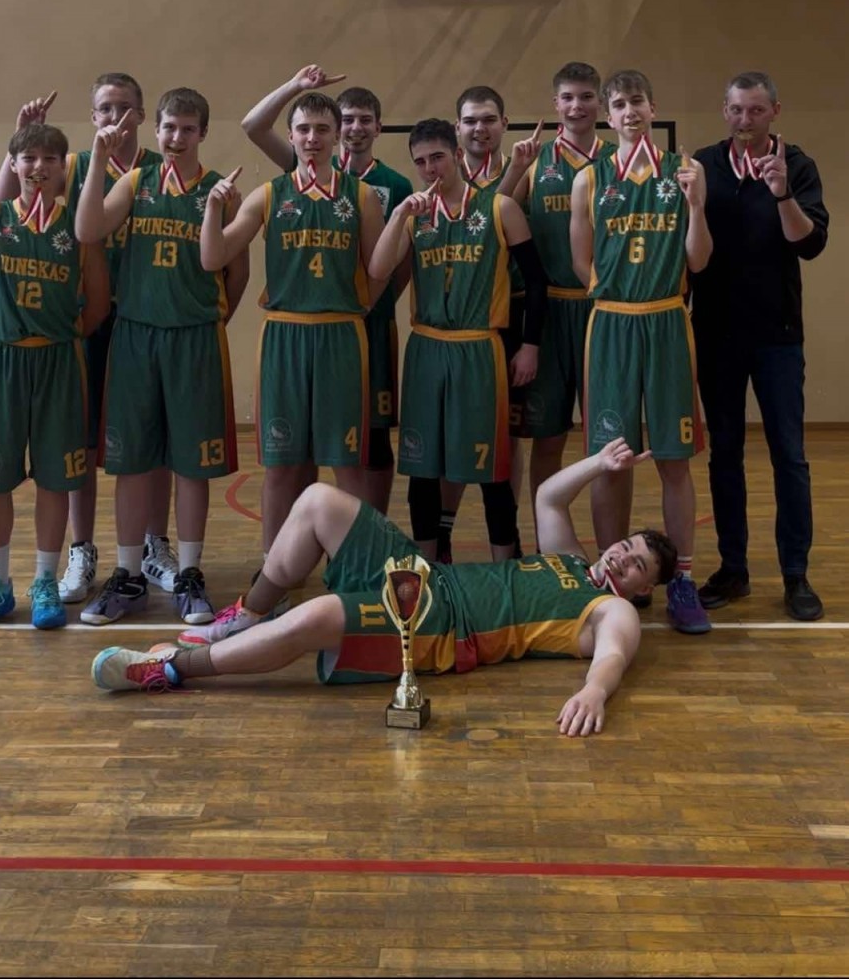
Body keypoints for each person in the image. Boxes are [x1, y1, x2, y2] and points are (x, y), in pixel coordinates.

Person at [92, 438, 678, 738]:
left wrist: (595, 693)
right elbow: (549, 496)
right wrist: (600, 463)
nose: (622, 557)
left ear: (640, 591)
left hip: (441, 627)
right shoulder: (570, 561)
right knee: (319, 501)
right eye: (627, 546)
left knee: (317, 617)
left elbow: (612, 657)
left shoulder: (610, 610)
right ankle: (245, 615)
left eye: (637, 566)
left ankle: (172, 669)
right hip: (426, 576)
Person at [0, 77, 174, 604]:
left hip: (145, 319)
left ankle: (154, 545)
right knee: (81, 442)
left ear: (142, 115)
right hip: (83, 320)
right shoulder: (70, 166)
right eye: (104, 109)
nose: (114, 117)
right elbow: (4, 214)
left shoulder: (160, 170)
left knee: (152, 438)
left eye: (124, 108)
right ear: (93, 117)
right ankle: (82, 548)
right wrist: (19, 140)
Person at [73, 88, 249, 625]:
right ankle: (127, 575)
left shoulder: (221, 192)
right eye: (169, 127)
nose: (177, 137)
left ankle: (190, 574)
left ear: (203, 133)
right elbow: (87, 229)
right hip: (135, 336)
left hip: (194, 339)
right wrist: (99, 158)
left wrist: (211, 320)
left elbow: (238, 272)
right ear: (157, 131)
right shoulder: (136, 182)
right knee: (131, 462)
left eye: (187, 129)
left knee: (191, 465)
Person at [199, 80, 386, 575]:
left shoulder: (362, 196)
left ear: (337, 135)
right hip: (284, 336)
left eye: (322, 129)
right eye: (303, 129)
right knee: (281, 465)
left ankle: (358, 570)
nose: (312, 138)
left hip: (341, 335)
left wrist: (354, 309)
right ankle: (274, 570)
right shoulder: (268, 195)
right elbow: (213, 257)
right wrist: (213, 209)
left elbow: (377, 271)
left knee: (348, 464)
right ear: (291, 135)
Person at [570, 69, 712, 635]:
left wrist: (697, 207)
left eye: (637, 102)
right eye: (619, 104)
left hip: (667, 320)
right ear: (608, 116)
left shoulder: (684, 172)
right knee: (613, 459)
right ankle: (614, 578)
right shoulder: (589, 178)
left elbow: (698, 260)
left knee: (674, 459)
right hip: (611, 324)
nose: (629, 111)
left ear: (653, 108)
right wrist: (617, 295)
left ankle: (681, 580)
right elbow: (582, 263)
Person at [0, 126, 109, 631]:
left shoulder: (79, 230)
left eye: (49, 159)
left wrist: (60, 338)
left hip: (58, 361)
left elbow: (98, 304)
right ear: (14, 165)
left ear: (64, 168)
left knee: (55, 479)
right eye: (29, 158)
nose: (39, 167)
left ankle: (44, 580)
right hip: (1, 360)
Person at [367, 117, 546, 564]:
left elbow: (536, 282)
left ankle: (505, 571)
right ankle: (428, 570)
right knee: (422, 467)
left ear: (458, 156)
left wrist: (530, 344)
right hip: (427, 349)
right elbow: (378, 271)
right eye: (421, 162)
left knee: (492, 469)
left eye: (438, 157)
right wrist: (399, 216)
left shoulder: (500, 207)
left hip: (480, 348)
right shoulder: (414, 216)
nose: (430, 168)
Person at [240, 65, 412, 513]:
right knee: (293, 453)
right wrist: (296, 85)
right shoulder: (299, 171)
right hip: (300, 326)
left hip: (356, 324)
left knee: (364, 444)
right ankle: (295, 542)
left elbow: (395, 262)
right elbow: (253, 125)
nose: (355, 128)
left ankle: (366, 538)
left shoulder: (390, 186)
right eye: (347, 119)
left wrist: (367, 302)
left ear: (376, 127)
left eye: (363, 120)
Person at [691, 72, 829, 621]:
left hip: (778, 337)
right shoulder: (703, 164)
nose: (744, 120)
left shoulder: (797, 165)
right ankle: (734, 569)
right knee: (724, 454)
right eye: (736, 110)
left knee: (789, 456)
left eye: (755, 110)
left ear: (775, 111)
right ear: (724, 111)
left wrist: (782, 194)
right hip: (717, 335)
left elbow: (809, 244)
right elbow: (689, 252)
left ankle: (796, 574)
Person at [498, 62, 618, 529]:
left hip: (602, 309)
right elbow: (494, 215)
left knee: (607, 438)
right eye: (568, 97)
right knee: (547, 439)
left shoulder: (617, 160)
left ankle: (607, 545)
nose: (577, 105)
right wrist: (515, 167)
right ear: (555, 104)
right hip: (547, 313)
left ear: (600, 103)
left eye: (586, 96)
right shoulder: (536, 160)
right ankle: (548, 543)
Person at [437, 86, 525, 561]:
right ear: (458, 128)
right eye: (470, 121)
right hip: (454, 324)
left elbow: (497, 222)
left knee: (505, 434)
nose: (480, 129)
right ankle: (443, 530)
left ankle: (507, 532)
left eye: (489, 119)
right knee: (450, 433)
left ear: (504, 124)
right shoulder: (442, 177)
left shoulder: (524, 172)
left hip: (506, 316)